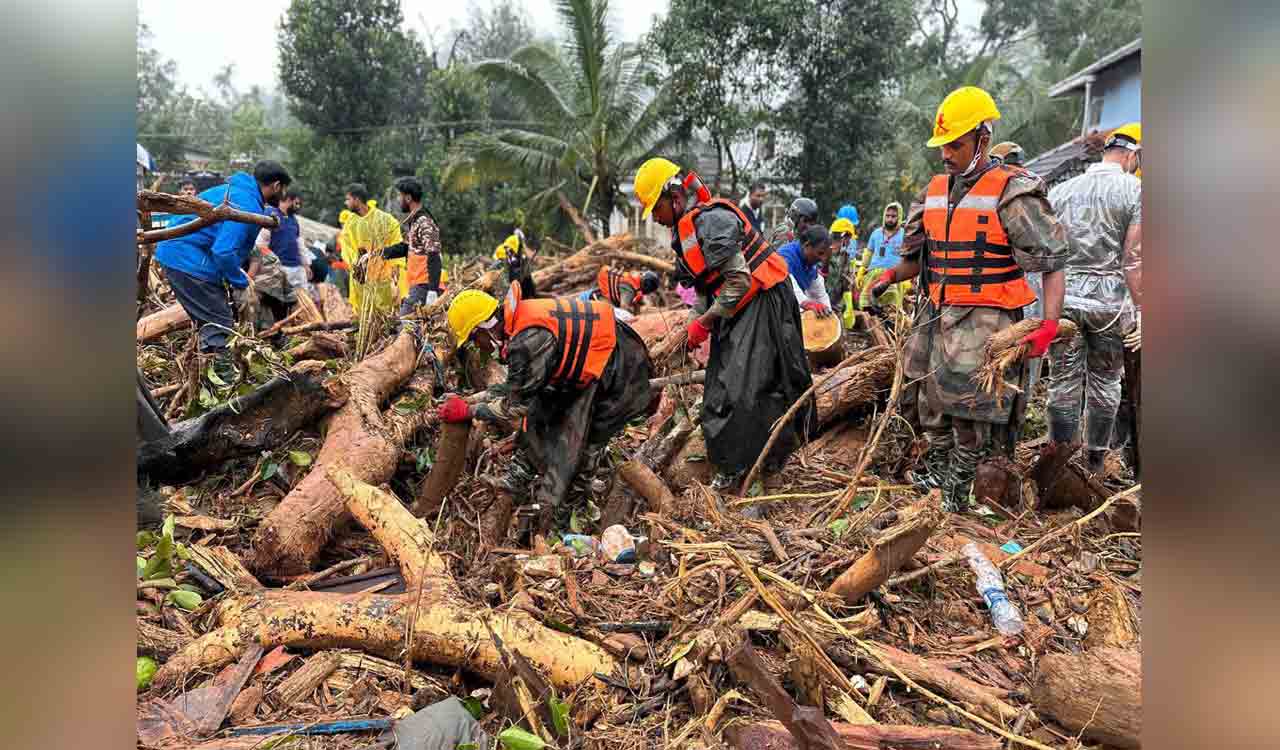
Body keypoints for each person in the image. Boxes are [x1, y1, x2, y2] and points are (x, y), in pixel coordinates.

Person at [868, 86, 1068, 512]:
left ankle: (958, 489)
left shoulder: (1012, 193)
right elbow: (915, 259)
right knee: (925, 399)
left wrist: (1048, 325)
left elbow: (1053, 262)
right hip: (936, 313)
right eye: (942, 146)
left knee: (971, 411)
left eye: (955, 145)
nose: (946, 155)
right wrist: (887, 276)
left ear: (983, 138)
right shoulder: (935, 190)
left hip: (986, 318)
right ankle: (937, 474)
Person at [633, 157, 813, 490]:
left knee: (744, 389)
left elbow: (739, 283)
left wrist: (704, 323)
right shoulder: (687, 231)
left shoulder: (712, 222)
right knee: (720, 384)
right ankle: (738, 465)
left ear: (673, 197)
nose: (655, 218)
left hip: (764, 300)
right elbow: (707, 287)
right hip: (742, 305)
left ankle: (754, 469)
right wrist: (689, 330)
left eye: (655, 208)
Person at [439, 280, 653, 536]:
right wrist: (472, 400)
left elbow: (516, 405)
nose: (478, 347)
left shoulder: (527, 340)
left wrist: (470, 411)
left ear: (484, 328)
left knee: (583, 448)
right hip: (590, 366)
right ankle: (518, 478)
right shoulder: (517, 325)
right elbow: (518, 389)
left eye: (474, 340)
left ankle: (567, 525)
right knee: (542, 413)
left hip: (620, 369)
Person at [1044, 122, 1142, 473]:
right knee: (1105, 383)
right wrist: (1144, 310)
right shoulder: (1136, 190)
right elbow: (1133, 260)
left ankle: (1058, 461)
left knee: (1062, 382)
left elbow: (1049, 253)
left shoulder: (1062, 191)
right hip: (1111, 305)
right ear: (1132, 155)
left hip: (1065, 299)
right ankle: (1095, 463)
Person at [154, 161, 291, 381]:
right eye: (283, 189)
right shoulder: (246, 202)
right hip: (186, 257)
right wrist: (241, 283)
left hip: (181, 253)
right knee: (219, 324)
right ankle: (224, 385)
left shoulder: (238, 192)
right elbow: (223, 251)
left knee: (213, 322)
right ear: (276, 186)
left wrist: (237, 276)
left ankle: (207, 378)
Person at [340, 183, 408, 313]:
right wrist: (356, 263)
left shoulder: (385, 219)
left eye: (348, 199)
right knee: (363, 312)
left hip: (383, 276)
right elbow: (346, 247)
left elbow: (397, 243)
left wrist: (395, 266)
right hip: (361, 277)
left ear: (357, 200)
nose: (346, 203)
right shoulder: (350, 224)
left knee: (384, 313)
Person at [382, 176, 443, 316]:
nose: (398, 200)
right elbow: (406, 248)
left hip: (424, 285)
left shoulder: (424, 222)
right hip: (418, 284)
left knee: (406, 322)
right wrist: (380, 253)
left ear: (408, 198)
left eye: (400, 196)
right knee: (412, 327)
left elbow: (434, 255)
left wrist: (432, 291)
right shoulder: (415, 221)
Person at [255, 187, 308, 304]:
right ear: (289, 200)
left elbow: (300, 245)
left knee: (298, 303)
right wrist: (274, 265)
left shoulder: (294, 220)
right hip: (279, 269)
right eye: (296, 203)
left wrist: (306, 265)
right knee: (276, 304)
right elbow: (261, 244)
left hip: (296, 269)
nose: (298, 206)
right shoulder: (270, 215)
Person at [858, 202, 907, 311]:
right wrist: (862, 269)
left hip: (894, 277)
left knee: (891, 311)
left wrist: (907, 279)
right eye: (887, 216)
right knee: (867, 306)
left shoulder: (905, 235)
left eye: (893, 216)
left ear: (899, 217)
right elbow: (869, 252)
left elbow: (908, 257)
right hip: (873, 275)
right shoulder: (876, 233)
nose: (890, 219)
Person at [778, 225, 834, 317]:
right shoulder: (785, 257)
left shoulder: (810, 265)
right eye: (820, 253)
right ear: (807, 245)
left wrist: (830, 315)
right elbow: (790, 287)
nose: (823, 259)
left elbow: (820, 295)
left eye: (825, 255)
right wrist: (807, 303)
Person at [591, 266, 661, 318]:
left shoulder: (635, 284)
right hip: (602, 300)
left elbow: (637, 304)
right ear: (647, 286)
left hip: (603, 295)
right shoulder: (629, 289)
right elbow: (623, 308)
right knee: (621, 315)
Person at [827, 217, 858, 323]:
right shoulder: (823, 252)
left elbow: (846, 283)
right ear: (844, 236)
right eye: (849, 239)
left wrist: (849, 305)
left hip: (835, 307)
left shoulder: (845, 257)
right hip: (819, 304)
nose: (849, 242)